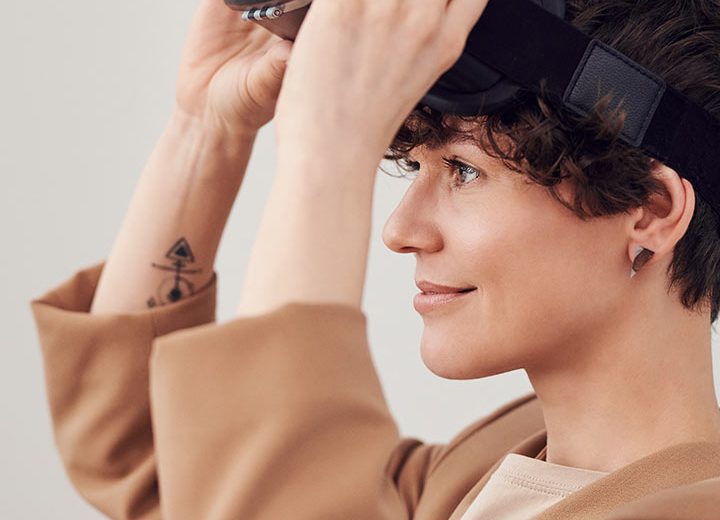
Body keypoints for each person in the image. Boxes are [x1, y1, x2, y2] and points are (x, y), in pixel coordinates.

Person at [29, 0, 720, 518]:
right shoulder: (476, 476)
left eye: (464, 170)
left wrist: (328, 149)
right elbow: (168, 461)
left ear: (651, 210)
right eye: (415, 166)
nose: (398, 229)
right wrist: (206, 131)